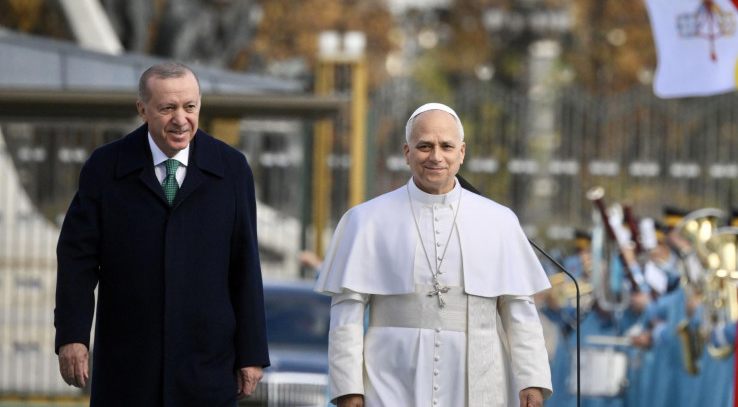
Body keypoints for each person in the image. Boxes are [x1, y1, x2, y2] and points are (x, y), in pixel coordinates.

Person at [54, 62, 269, 405]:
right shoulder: (105, 168)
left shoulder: (231, 169)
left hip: (207, 370)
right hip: (128, 370)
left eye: (190, 107)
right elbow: (77, 260)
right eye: (168, 108)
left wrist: (252, 353)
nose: (181, 119)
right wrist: (73, 336)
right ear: (143, 110)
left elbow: (245, 264)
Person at [315, 103, 552, 406]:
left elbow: (519, 312)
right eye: (424, 146)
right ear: (407, 152)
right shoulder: (367, 220)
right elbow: (346, 315)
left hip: (478, 378)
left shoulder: (499, 220)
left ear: (462, 152)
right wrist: (348, 389)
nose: (436, 156)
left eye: (446, 146)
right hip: (389, 377)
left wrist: (532, 379)